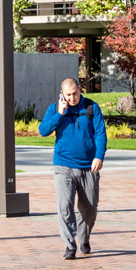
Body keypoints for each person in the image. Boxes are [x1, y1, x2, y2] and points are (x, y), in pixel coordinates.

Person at [39, 77, 107, 260]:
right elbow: (43, 131)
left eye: (75, 93)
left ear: (79, 90)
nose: (72, 98)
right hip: (63, 165)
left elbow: (100, 133)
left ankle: (84, 238)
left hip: (88, 167)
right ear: (62, 94)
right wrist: (60, 114)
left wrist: (99, 156)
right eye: (68, 95)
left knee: (90, 209)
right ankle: (70, 245)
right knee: (64, 207)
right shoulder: (54, 109)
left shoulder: (92, 107)